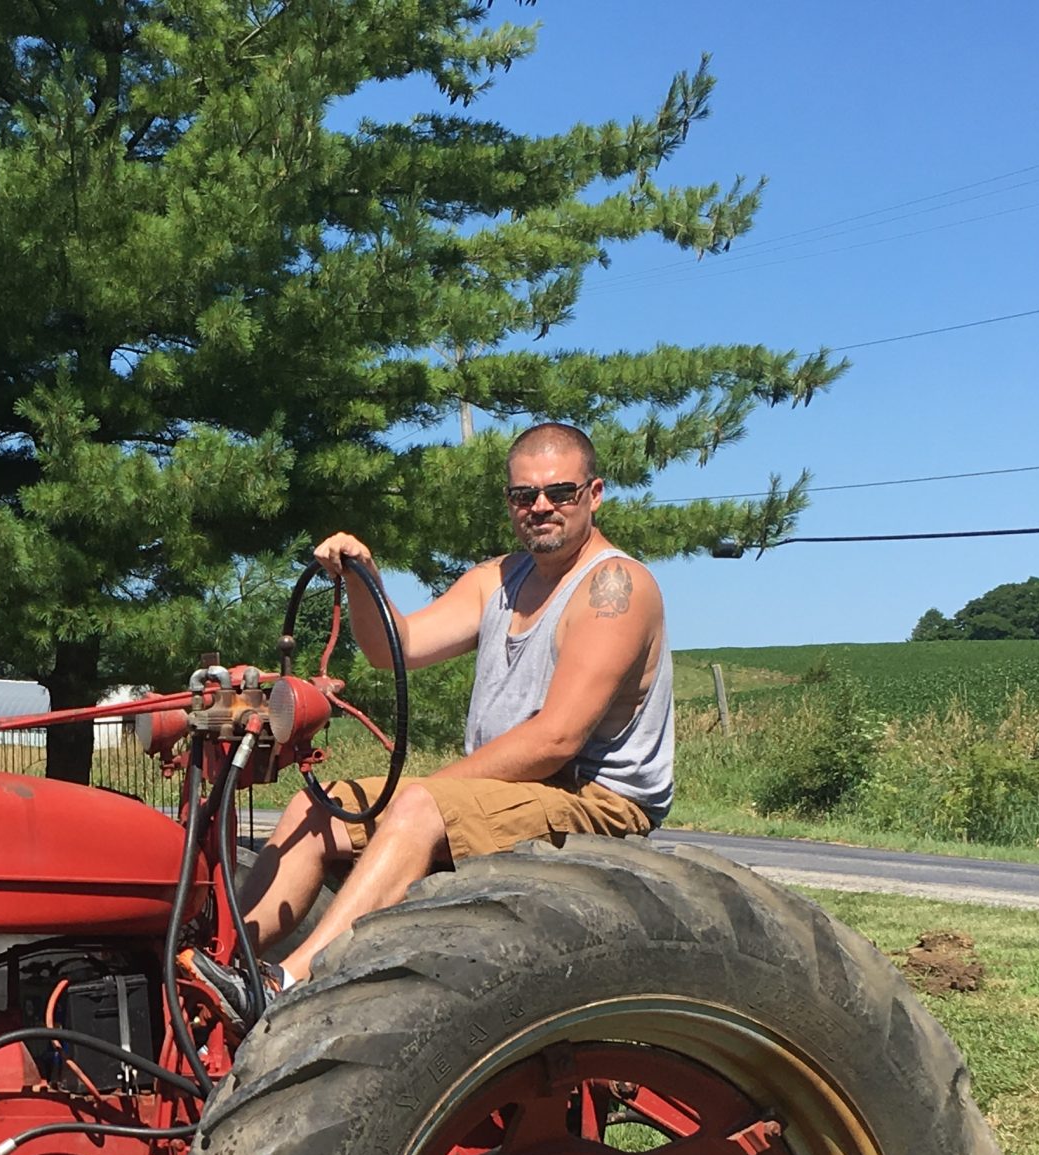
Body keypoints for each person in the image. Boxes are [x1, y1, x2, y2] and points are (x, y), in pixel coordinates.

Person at [181, 420, 672, 1027]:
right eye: (524, 496)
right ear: (509, 502)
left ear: (594, 494)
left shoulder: (615, 588)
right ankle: (217, 972)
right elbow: (395, 647)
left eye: (560, 492)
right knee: (324, 805)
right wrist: (366, 576)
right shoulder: (499, 578)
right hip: (515, 790)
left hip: (595, 802)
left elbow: (557, 738)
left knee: (416, 806)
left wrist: (431, 794)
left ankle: (289, 986)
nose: (540, 507)